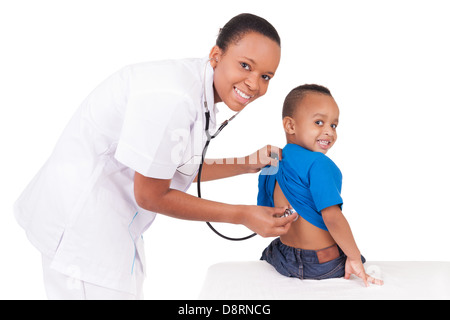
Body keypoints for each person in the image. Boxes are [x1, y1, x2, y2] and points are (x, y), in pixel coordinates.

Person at [14, 13, 297, 300]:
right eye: (245, 65)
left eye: (265, 76)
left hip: (110, 228)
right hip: (82, 232)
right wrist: (242, 215)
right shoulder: (174, 97)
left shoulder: (197, 91)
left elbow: (171, 167)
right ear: (216, 55)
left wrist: (246, 164)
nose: (253, 83)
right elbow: (151, 195)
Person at [258, 84, 383, 286]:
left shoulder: (271, 161)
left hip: (283, 257)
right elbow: (332, 217)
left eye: (333, 126)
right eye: (319, 122)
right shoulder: (319, 163)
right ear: (290, 126)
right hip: (321, 262)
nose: (329, 132)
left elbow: (264, 214)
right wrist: (354, 257)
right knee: (354, 256)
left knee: (270, 249)